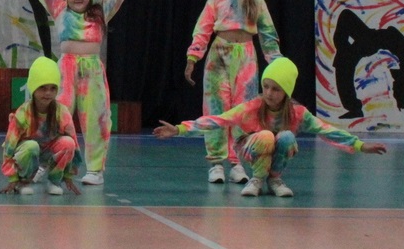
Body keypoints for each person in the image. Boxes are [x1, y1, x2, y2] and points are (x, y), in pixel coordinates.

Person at [155, 57, 388, 197]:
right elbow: (219, 120)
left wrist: (359, 145)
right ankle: (256, 179)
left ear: (286, 91)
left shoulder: (297, 113)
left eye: (275, 89)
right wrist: (180, 129)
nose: (268, 93)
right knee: (266, 135)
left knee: (286, 137)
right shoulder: (252, 107)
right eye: (265, 86)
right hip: (251, 147)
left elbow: (327, 130)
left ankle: (274, 179)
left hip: (276, 148)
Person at [18, 0, 148, 185]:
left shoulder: (100, 13)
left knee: (97, 119)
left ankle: (95, 170)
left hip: (92, 72)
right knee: (55, 116)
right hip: (65, 71)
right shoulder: (60, 10)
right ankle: (45, 163)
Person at [184, 0, 282, 184]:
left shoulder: (256, 3)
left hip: (246, 57)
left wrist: (277, 65)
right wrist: (192, 58)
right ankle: (216, 163)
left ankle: (236, 162)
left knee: (244, 110)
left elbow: (268, 36)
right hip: (219, 56)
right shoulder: (216, 0)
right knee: (216, 107)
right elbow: (202, 30)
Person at [0, 57, 82, 195]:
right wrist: (12, 177)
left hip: (48, 153)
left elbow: (75, 145)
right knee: (31, 146)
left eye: (52, 88)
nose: (48, 93)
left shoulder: (62, 113)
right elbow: (9, 147)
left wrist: (68, 175)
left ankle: (53, 181)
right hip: (28, 152)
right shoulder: (23, 113)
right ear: (33, 88)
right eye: (42, 88)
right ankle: (24, 181)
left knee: (68, 143)